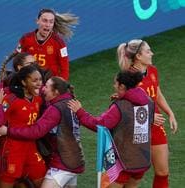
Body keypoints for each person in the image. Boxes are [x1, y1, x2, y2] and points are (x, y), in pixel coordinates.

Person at [68, 71, 155, 188]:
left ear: (122, 86)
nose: (114, 86)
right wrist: (122, 97)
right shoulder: (148, 101)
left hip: (123, 161)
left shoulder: (120, 107)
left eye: (116, 83)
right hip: (142, 160)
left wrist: (80, 112)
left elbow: (100, 125)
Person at [2, 76, 85, 188]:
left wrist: (8, 130)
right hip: (75, 160)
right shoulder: (71, 102)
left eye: (46, 87)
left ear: (55, 92)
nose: (42, 89)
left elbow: (36, 131)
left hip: (63, 164)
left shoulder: (55, 109)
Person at [116, 39, 178, 188]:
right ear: (138, 56)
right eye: (148, 51)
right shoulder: (127, 77)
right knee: (133, 174)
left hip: (156, 126)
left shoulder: (152, 70)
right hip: (136, 131)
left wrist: (170, 112)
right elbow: (122, 107)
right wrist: (149, 117)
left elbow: (156, 92)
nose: (152, 53)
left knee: (163, 172)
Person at [0, 65, 47, 188]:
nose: (39, 83)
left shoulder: (38, 99)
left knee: (44, 182)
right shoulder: (10, 100)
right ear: (23, 82)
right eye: (34, 80)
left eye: (40, 79)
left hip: (31, 149)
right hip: (11, 150)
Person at [16, 8, 79, 80]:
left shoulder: (59, 43)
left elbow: (64, 68)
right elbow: (18, 60)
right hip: (31, 82)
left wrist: (61, 85)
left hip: (49, 84)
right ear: (37, 21)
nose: (47, 25)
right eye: (44, 21)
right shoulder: (25, 39)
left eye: (51, 22)